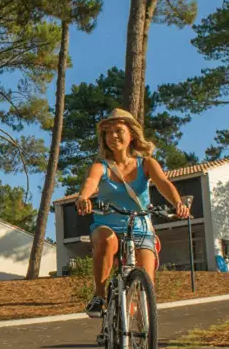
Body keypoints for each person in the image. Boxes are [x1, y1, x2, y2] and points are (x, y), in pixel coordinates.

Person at [75, 108, 190, 318]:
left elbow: (163, 183)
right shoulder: (101, 166)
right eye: (107, 133)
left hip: (140, 227)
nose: (112, 136)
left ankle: (135, 331)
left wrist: (178, 202)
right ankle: (99, 296)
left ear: (132, 134)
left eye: (118, 130)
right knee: (107, 239)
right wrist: (83, 197)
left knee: (146, 283)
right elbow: (91, 182)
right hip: (108, 226)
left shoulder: (146, 164)